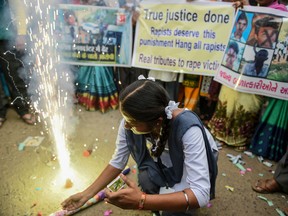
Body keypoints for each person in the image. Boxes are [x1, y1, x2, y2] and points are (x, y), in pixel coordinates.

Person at [61, 75, 218, 216]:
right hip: (166, 154)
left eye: (133, 122)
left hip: (191, 158)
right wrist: (86, 194)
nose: (127, 126)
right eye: (125, 119)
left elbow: (200, 194)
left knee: (174, 212)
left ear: (157, 122)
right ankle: (160, 202)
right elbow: (118, 161)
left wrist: (141, 201)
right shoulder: (130, 121)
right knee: (146, 179)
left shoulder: (188, 130)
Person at [0, 0, 36, 128]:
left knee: (14, 74)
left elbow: (18, 6)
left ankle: (23, 108)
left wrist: (21, 33)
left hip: (6, 35)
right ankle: (1, 111)